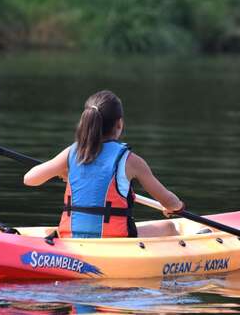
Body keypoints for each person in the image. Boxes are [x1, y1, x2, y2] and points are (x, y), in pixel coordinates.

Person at [24, 90, 184, 238]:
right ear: (119, 124)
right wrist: (176, 206)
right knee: (169, 226)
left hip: (72, 239)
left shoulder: (72, 152)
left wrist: (63, 170)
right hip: (114, 241)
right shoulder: (131, 161)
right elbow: (169, 202)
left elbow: (29, 179)